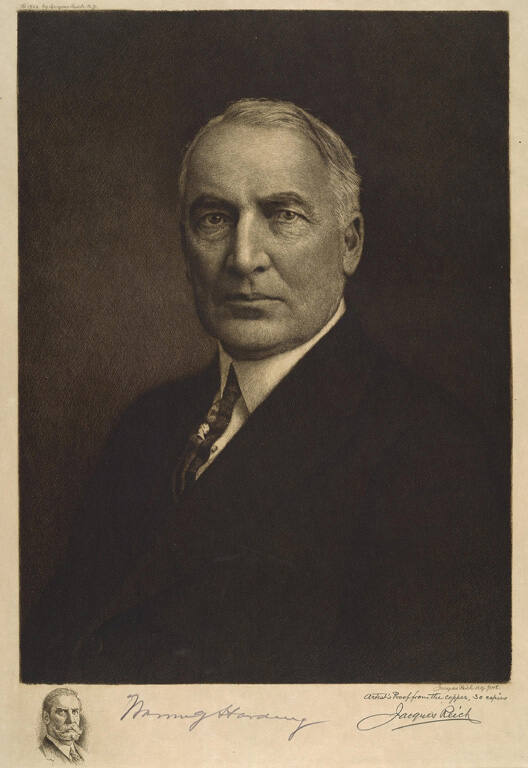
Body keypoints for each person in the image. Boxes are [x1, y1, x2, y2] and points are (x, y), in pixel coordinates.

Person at [22, 98, 510, 684]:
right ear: (184, 245)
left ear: (350, 243)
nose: (244, 257)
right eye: (214, 218)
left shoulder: (431, 450)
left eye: (284, 215)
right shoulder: (145, 426)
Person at [39, 688, 86, 763]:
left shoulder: (85, 754)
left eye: (74, 712)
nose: (71, 720)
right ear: (46, 717)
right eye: (62, 712)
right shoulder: (39, 756)